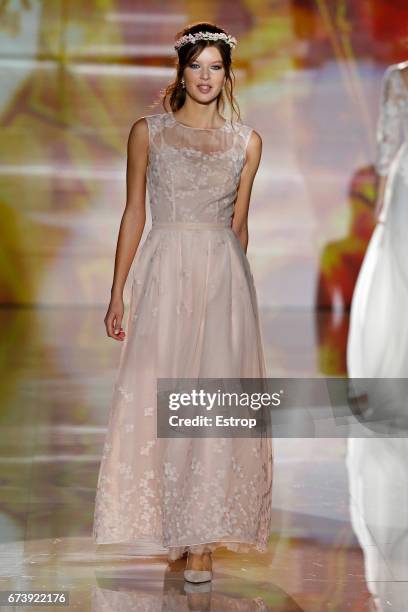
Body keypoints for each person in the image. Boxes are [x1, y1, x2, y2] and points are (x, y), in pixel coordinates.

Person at [92, 22, 273, 584]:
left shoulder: (248, 142)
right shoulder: (149, 133)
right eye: (196, 65)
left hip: (222, 280)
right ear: (181, 69)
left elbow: (240, 226)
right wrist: (117, 289)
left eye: (215, 67)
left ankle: (200, 540)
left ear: (228, 73)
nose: (205, 77)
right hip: (165, 273)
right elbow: (133, 213)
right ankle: (177, 522)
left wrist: (239, 300)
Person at [347, 61, 408, 379]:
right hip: (405, 184)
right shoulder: (398, 76)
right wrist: (382, 199)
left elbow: (387, 145)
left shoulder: (399, 76)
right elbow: (387, 141)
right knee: (399, 274)